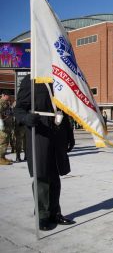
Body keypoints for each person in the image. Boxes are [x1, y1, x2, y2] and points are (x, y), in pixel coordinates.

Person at [14, 75, 75, 231]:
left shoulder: (59, 79)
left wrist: (69, 135)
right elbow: (19, 108)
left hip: (58, 132)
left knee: (55, 176)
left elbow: (65, 111)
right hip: (39, 132)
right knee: (41, 175)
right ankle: (42, 215)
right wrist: (26, 118)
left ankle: (55, 212)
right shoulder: (31, 80)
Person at [0, 90, 13, 165]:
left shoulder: (7, 102)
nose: (9, 97)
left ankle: (3, 157)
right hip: (2, 127)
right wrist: (0, 123)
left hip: (7, 126)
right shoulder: (1, 103)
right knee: (2, 142)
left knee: (5, 142)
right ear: (3, 95)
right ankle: (0, 158)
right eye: (8, 95)